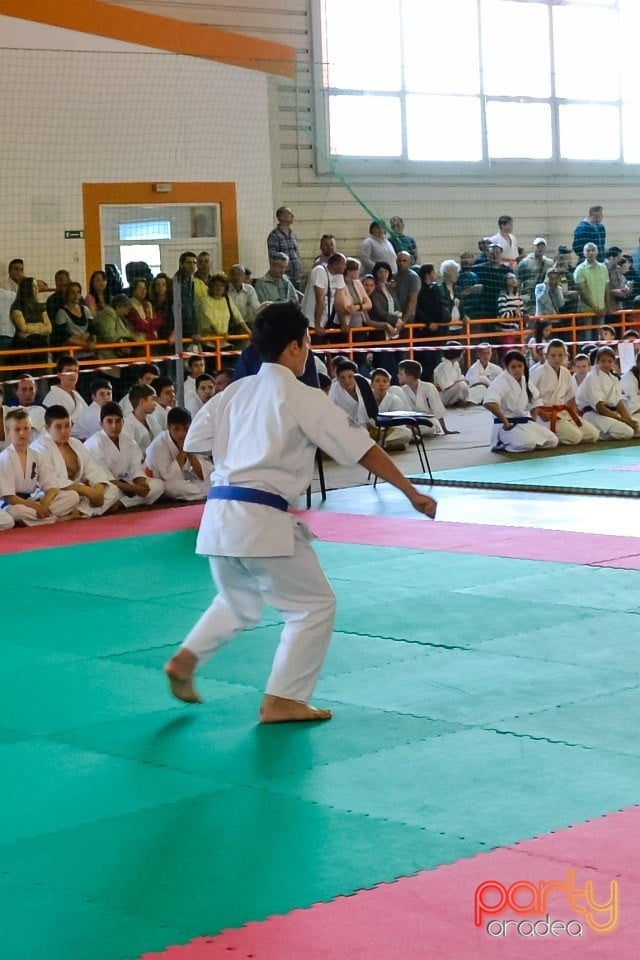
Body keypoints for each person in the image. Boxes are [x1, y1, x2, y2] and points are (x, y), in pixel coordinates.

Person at [162, 302, 436, 718]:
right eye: (307, 342)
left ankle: (186, 658)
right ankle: (283, 698)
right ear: (295, 345)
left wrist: (241, 452)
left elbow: (195, 441)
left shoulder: (234, 391)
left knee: (238, 601)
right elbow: (364, 448)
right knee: (314, 606)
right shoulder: (300, 395)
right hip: (261, 518)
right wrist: (411, 492)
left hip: (219, 517)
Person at [32, 405, 120, 516]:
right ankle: (81, 512)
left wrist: (98, 490)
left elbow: (93, 469)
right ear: (47, 428)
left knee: (113, 490)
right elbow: (50, 480)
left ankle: (79, 512)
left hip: (79, 494)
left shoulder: (76, 443)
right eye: (58, 427)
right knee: (72, 497)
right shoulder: (39, 447)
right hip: (52, 495)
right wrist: (86, 491)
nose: (64, 431)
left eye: (67, 426)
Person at [0, 409, 80, 525]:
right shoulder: (5, 458)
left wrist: (44, 505)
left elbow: (51, 486)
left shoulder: (36, 455)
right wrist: (37, 507)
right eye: (17, 430)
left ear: (31, 430)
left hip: (31, 501)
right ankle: (55, 519)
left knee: (72, 496)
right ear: (8, 432)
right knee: (18, 512)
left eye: (26, 429)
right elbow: (9, 497)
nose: (22, 433)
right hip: (12, 505)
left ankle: (35, 520)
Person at [84, 401, 164, 508]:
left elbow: (136, 468)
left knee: (158, 485)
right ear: (101, 424)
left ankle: (122, 503)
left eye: (118, 421)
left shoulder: (128, 440)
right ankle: (120, 502)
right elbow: (103, 477)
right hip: (105, 486)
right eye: (109, 421)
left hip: (126, 483)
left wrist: (142, 484)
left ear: (123, 422)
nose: (114, 426)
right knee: (110, 493)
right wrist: (133, 489)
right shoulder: (95, 443)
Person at [484, 350, 559, 453]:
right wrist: (504, 421)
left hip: (524, 422)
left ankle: (525, 440)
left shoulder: (524, 380)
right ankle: (502, 443)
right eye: (513, 367)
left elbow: (535, 400)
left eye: (520, 366)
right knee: (528, 444)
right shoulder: (501, 381)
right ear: (507, 367)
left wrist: (534, 417)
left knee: (552, 441)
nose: (517, 370)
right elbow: (489, 403)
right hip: (507, 426)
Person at [530, 339, 599, 445]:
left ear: (565, 356)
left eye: (560, 355)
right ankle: (546, 435)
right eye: (553, 355)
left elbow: (570, 398)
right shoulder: (538, 372)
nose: (557, 359)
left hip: (561, 413)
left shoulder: (566, 373)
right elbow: (530, 396)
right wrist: (542, 413)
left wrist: (574, 415)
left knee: (593, 434)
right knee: (575, 437)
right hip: (543, 416)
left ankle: (559, 433)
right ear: (546, 355)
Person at [144, 406, 212, 501]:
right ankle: (205, 493)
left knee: (211, 478)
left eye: (186, 429)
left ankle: (203, 493)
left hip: (184, 478)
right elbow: (168, 476)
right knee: (182, 487)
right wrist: (183, 451)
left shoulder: (190, 439)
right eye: (176, 429)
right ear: (168, 427)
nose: (182, 433)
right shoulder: (160, 443)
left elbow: (201, 473)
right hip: (162, 482)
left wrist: (188, 450)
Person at [575, 346, 638, 440]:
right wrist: (623, 421)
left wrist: (628, 420)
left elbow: (618, 403)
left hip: (609, 414)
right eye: (603, 361)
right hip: (593, 414)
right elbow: (600, 407)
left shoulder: (613, 378)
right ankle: (598, 433)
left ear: (613, 362)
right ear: (597, 361)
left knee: (636, 428)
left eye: (610, 361)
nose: (606, 364)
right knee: (627, 432)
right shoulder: (592, 377)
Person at [397, 359, 458, 436]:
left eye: (401, 374)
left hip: (426, 421)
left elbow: (437, 408)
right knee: (402, 428)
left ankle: (412, 433)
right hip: (409, 422)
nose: (398, 376)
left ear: (410, 376)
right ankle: (411, 433)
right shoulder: (402, 390)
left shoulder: (428, 387)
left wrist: (445, 430)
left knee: (429, 428)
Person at [301, 253, 347, 336]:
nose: (345, 267)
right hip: (311, 320)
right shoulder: (319, 271)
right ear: (335, 264)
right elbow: (320, 300)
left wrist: (343, 323)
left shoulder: (339, 275)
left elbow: (339, 302)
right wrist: (317, 325)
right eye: (343, 264)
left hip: (325, 320)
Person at [368, 368, 412, 450]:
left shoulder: (395, 400)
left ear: (389, 385)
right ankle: (386, 445)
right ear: (371, 384)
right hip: (370, 431)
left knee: (407, 433)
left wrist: (382, 430)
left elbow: (399, 424)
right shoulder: (365, 400)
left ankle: (380, 444)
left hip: (387, 432)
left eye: (385, 381)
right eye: (377, 381)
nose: (381, 384)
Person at [574, 242, 609, 332]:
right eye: (588, 250)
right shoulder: (580, 269)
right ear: (584, 253)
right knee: (587, 337)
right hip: (586, 310)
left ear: (597, 252)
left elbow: (607, 288)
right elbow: (582, 292)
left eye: (593, 250)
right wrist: (594, 308)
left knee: (600, 336)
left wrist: (606, 305)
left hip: (601, 309)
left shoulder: (603, 268)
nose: (591, 253)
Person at [42, 356, 88, 425]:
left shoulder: (76, 394)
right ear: (59, 375)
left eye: (76, 371)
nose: (73, 375)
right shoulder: (53, 396)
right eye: (68, 371)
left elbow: (87, 414)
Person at [266, 206, 301, 290]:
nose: (292, 215)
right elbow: (273, 258)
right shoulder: (274, 236)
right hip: (283, 278)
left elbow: (297, 254)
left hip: (296, 276)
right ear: (281, 217)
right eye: (289, 213)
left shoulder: (293, 235)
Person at [124, 383, 162, 453]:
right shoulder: (127, 424)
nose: (155, 404)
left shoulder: (151, 419)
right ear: (142, 402)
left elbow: (160, 438)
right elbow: (129, 450)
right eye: (153, 399)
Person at [517, 239, 553, 310]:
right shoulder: (524, 263)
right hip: (528, 297)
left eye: (542, 246)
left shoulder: (549, 263)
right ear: (533, 247)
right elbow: (519, 281)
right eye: (538, 246)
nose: (540, 248)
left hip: (544, 296)